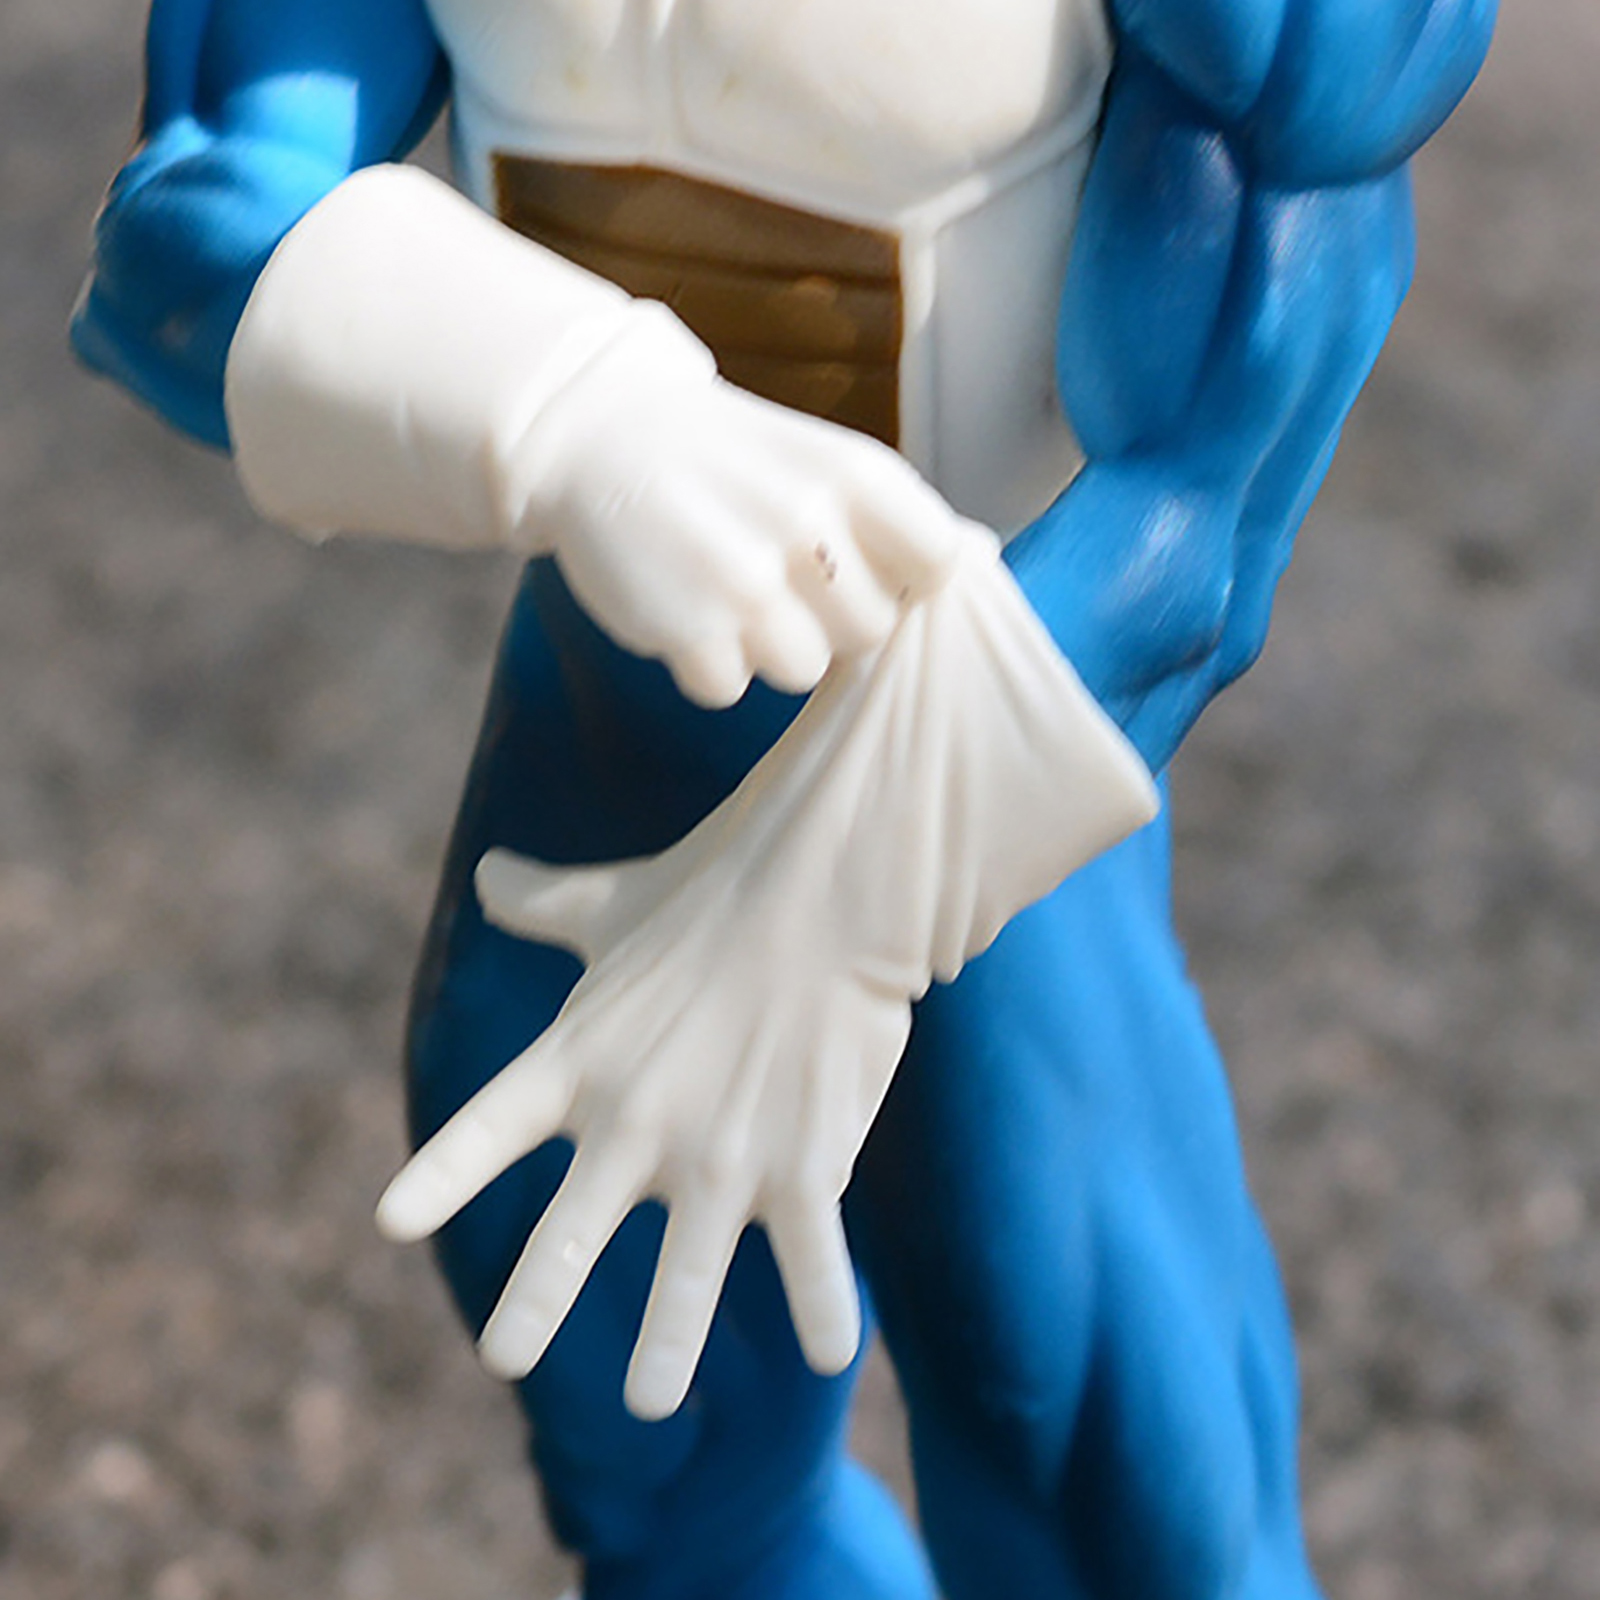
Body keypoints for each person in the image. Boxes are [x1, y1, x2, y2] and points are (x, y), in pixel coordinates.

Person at [73, 2, 1496, 1596]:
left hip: (981, 749)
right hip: (622, 714)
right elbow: (191, 223)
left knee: (1115, 1481)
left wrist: (855, 883)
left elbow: (1210, 490)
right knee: (653, 1441)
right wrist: (577, 412)